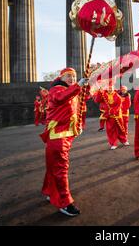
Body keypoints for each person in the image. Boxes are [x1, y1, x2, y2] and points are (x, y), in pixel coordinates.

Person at [40, 67, 89, 216]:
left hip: (63, 136)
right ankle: (64, 202)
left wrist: (89, 81)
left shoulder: (70, 91)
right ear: (61, 77)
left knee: (53, 166)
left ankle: (49, 191)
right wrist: (78, 85)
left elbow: (79, 104)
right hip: (58, 137)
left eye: (73, 77)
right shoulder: (57, 89)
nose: (72, 79)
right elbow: (62, 98)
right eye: (68, 76)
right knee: (61, 168)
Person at [94, 79, 129, 150]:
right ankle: (113, 143)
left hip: (117, 115)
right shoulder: (103, 95)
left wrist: (113, 110)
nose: (110, 89)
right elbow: (97, 100)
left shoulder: (117, 96)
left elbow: (119, 105)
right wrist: (99, 93)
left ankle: (124, 140)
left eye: (111, 88)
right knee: (110, 130)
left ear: (113, 88)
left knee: (120, 128)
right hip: (109, 115)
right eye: (108, 88)